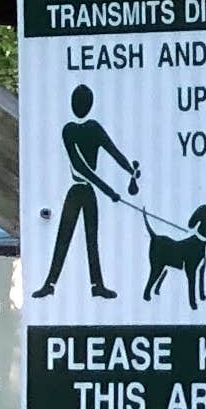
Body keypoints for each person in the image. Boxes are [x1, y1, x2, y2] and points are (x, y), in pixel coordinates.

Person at [36, 84, 141, 298]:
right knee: (64, 237)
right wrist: (108, 190)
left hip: (87, 192)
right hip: (77, 191)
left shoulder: (93, 128)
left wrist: (130, 170)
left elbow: (114, 152)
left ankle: (97, 285)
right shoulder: (69, 130)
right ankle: (49, 284)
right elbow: (79, 166)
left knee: (91, 240)